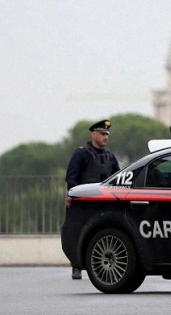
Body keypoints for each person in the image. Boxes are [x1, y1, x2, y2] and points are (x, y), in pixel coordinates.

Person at [65, 119, 120, 279]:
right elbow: (72, 178)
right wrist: (75, 197)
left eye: (107, 134)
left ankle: (105, 264)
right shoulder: (81, 154)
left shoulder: (110, 156)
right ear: (93, 134)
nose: (105, 137)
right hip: (85, 202)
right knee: (79, 232)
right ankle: (76, 265)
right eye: (102, 134)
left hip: (105, 203)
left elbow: (118, 179)